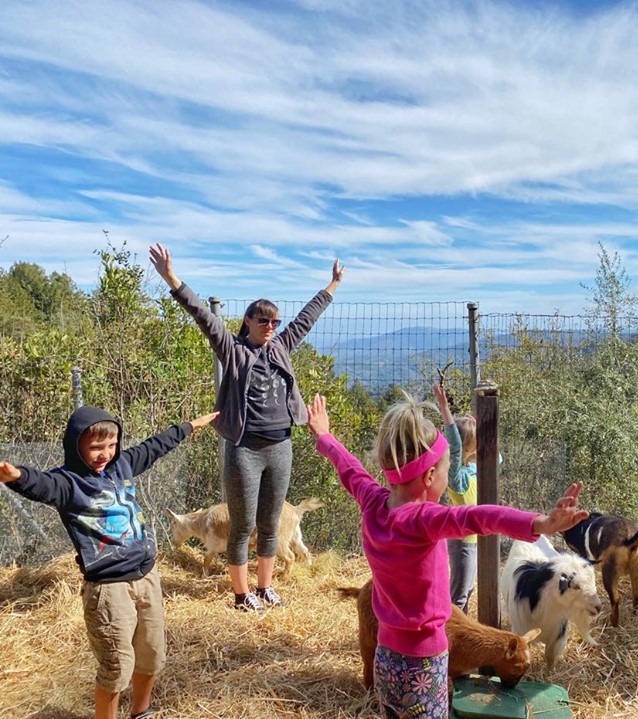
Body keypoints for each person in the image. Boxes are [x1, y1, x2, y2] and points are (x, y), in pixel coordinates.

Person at [306, 392, 587, 718]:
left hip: (386, 656)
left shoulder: (373, 503)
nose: (447, 476)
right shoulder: (424, 520)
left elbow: (350, 470)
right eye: (446, 470)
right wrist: (540, 522)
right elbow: (480, 517)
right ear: (429, 477)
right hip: (425, 661)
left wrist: (325, 436)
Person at [148, 243, 344, 611]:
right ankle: (242, 595)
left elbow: (308, 316)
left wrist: (331, 286)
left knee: (269, 525)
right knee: (241, 525)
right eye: (263, 320)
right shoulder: (234, 350)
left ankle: (265, 587)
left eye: (274, 321)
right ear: (248, 322)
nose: (270, 326)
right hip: (244, 450)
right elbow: (202, 316)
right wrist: (171, 278)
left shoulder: (282, 345)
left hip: (280, 446)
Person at [0, 405, 217, 719]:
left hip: (147, 576)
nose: (105, 453)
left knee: (152, 656)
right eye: (95, 447)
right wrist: (16, 476)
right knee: (116, 667)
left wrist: (189, 426)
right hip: (108, 587)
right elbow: (41, 484)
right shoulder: (68, 483)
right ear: (76, 446)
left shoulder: (123, 465)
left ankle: (141, 713)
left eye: (111, 445)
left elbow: (155, 446)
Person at [433, 384, 480, 612]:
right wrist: (445, 410)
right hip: (463, 544)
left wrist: (479, 429)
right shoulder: (457, 477)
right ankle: (451, 641)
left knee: (466, 591)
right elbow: (455, 446)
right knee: (458, 598)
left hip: (474, 542)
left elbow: (496, 457)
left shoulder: (476, 470)